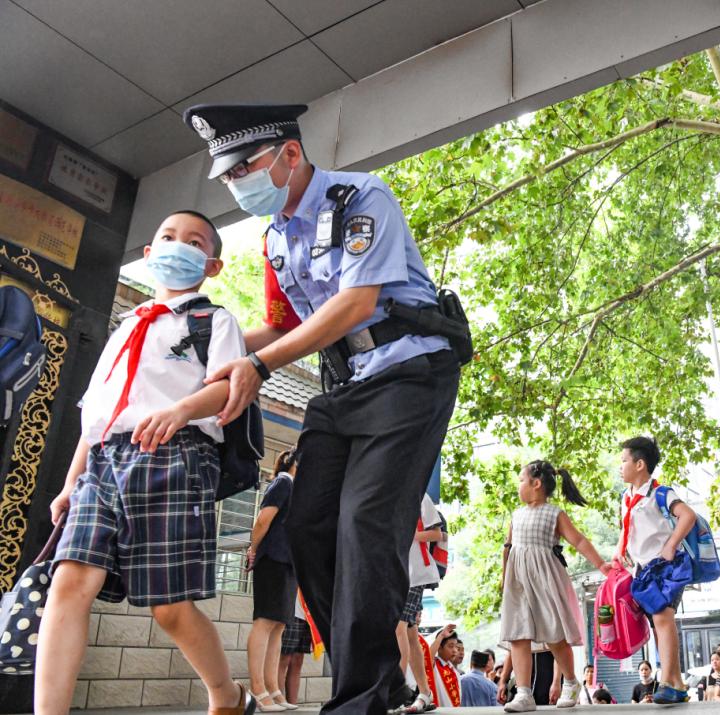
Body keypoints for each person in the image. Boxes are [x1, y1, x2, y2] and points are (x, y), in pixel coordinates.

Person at [184, 103, 461, 714]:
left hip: (410, 371)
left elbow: (358, 302)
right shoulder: (275, 238)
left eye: (244, 169)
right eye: (227, 178)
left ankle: (359, 700)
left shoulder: (357, 197)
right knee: (307, 526)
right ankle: (381, 680)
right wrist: (203, 342)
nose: (237, 185)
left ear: (289, 153)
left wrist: (258, 367)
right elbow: (284, 324)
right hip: (347, 387)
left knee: (365, 524)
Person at [35, 211, 254, 715]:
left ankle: (225, 694)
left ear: (212, 265)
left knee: (169, 607)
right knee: (70, 582)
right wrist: (70, 484)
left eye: (195, 242)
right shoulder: (125, 328)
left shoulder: (213, 321)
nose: (180, 246)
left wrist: (180, 410)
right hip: (104, 465)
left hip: (175, 456)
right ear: (149, 253)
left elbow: (229, 387)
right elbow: (97, 417)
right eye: (169, 237)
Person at [499, 460, 610, 712]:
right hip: (518, 581)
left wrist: (602, 564)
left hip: (544, 578)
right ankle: (524, 693)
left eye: (520, 480)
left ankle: (570, 682)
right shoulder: (516, 515)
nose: (518, 486)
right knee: (518, 634)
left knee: (554, 634)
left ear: (536, 484)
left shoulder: (554, 513)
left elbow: (579, 541)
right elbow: (508, 547)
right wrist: (505, 579)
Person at [614, 436, 696, 704]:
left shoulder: (660, 493)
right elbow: (627, 528)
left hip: (667, 567)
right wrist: (619, 548)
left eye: (624, 460)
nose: (620, 465)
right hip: (643, 570)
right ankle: (677, 684)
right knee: (658, 622)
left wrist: (671, 545)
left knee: (662, 618)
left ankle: (667, 682)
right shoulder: (627, 497)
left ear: (640, 464)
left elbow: (688, 515)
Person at [247, 448, 300, 712]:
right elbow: (262, 521)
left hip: (288, 562)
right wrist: (253, 549)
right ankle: (257, 689)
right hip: (272, 559)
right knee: (265, 622)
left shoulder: (295, 488)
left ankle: (273, 689)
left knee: (278, 626)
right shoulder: (282, 482)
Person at [398, 493, 443, 713]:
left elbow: (438, 533)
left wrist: (412, 535)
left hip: (414, 573)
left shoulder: (418, 496)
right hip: (395, 571)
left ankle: (397, 692)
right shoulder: (387, 492)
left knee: (398, 627)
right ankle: (424, 691)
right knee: (410, 632)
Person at [278, 609, 313, 708]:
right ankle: (278, 703)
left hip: (307, 613)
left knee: (298, 660)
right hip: (290, 609)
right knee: (283, 658)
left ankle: (293, 706)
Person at [430, 628, 462, 708]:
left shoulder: (454, 670)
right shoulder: (434, 665)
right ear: (439, 648)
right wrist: (441, 636)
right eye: (451, 646)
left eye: (456, 647)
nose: (455, 650)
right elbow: (428, 657)